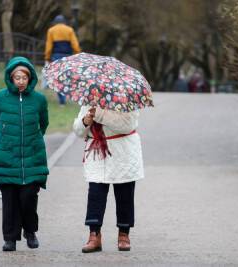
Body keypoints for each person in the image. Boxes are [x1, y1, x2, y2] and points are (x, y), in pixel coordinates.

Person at [0, 56, 49, 252]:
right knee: (10, 199)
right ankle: (10, 238)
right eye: (17, 77)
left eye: (24, 77)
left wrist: (32, 139)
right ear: (10, 78)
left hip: (32, 156)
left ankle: (30, 231)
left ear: (30, 78)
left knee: (29, 196)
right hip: (6, 157)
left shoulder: (39, 100)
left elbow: (43, 124)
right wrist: (2, 141)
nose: (21, 80)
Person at [73, 105, 144, 253]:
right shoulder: (90, 101)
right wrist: (85, 121)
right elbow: (78, 131)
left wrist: (99, 115)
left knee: (125, 194)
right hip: (97, 151)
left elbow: (127, 125)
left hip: (124, 152)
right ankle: (94, 235)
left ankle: (124, 234)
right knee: (95, 194)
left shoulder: (127, 99)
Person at [44, 14, 81, 105]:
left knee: (57, 78)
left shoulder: (51, 30)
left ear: (55, 22)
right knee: (66, 77)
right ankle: (64, 96)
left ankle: (61, 100)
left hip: (56, 56)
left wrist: (47, 57)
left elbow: (49, 46)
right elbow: (75, 45)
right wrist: (77, 54)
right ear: (64, 22)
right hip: (67, 57)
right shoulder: (69, 30)